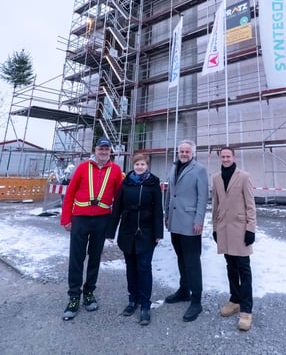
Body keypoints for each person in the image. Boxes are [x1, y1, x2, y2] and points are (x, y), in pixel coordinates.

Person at [60, 137, 123, 321]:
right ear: (95, 150)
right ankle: (73, 296)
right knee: (76, 259)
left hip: (102, 220)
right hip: (80, 219)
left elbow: (119, 198)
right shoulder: (83, 167)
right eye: (101, 148)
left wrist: (113, 226)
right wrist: (66, 219)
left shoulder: (116, 170)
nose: (104, 152)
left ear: (110, 151)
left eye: (107, 149)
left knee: (95, 258)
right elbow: (70, 192)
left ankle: (89, 292)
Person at [107, 153, 163, 326]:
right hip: (127, 232)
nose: (140, 167)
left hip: (146, 233)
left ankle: (145, 305)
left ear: (147, 165)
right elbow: (117, 207)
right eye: (137, 164)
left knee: (144, 267)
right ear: (133, 165)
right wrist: (111, 230)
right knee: (131, 267)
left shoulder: (153, 183)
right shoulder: (126, 183)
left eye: (143, 164)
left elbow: (158, 209)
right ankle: (133, 300)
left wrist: (158, 233)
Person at [212, 146, 256, 331]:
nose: (225, 159)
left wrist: (250, 229)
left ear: (233, 157)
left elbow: (251, 205)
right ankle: (235, 299)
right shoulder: (215, 178)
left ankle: (246, 310)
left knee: (243, 269)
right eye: (223, 156)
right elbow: (216, 203)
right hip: (223, 229)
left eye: (228, 156)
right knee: (230, 267)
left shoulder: (244, 176)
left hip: (240, 229)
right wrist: (214, 227)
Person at [164, 139, 209, 322]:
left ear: (193, 153)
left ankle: (196, 299)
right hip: (175, 222)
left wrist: (199, 220)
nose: (183, 154)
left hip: (191, 223)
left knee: (192, 261)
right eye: (181, 151)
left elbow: (202, 197)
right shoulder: (174, 167)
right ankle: (184, 290)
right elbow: (169, 193)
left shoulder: (199, 170)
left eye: (187, 152)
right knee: (181, 258)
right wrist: (166, 215)